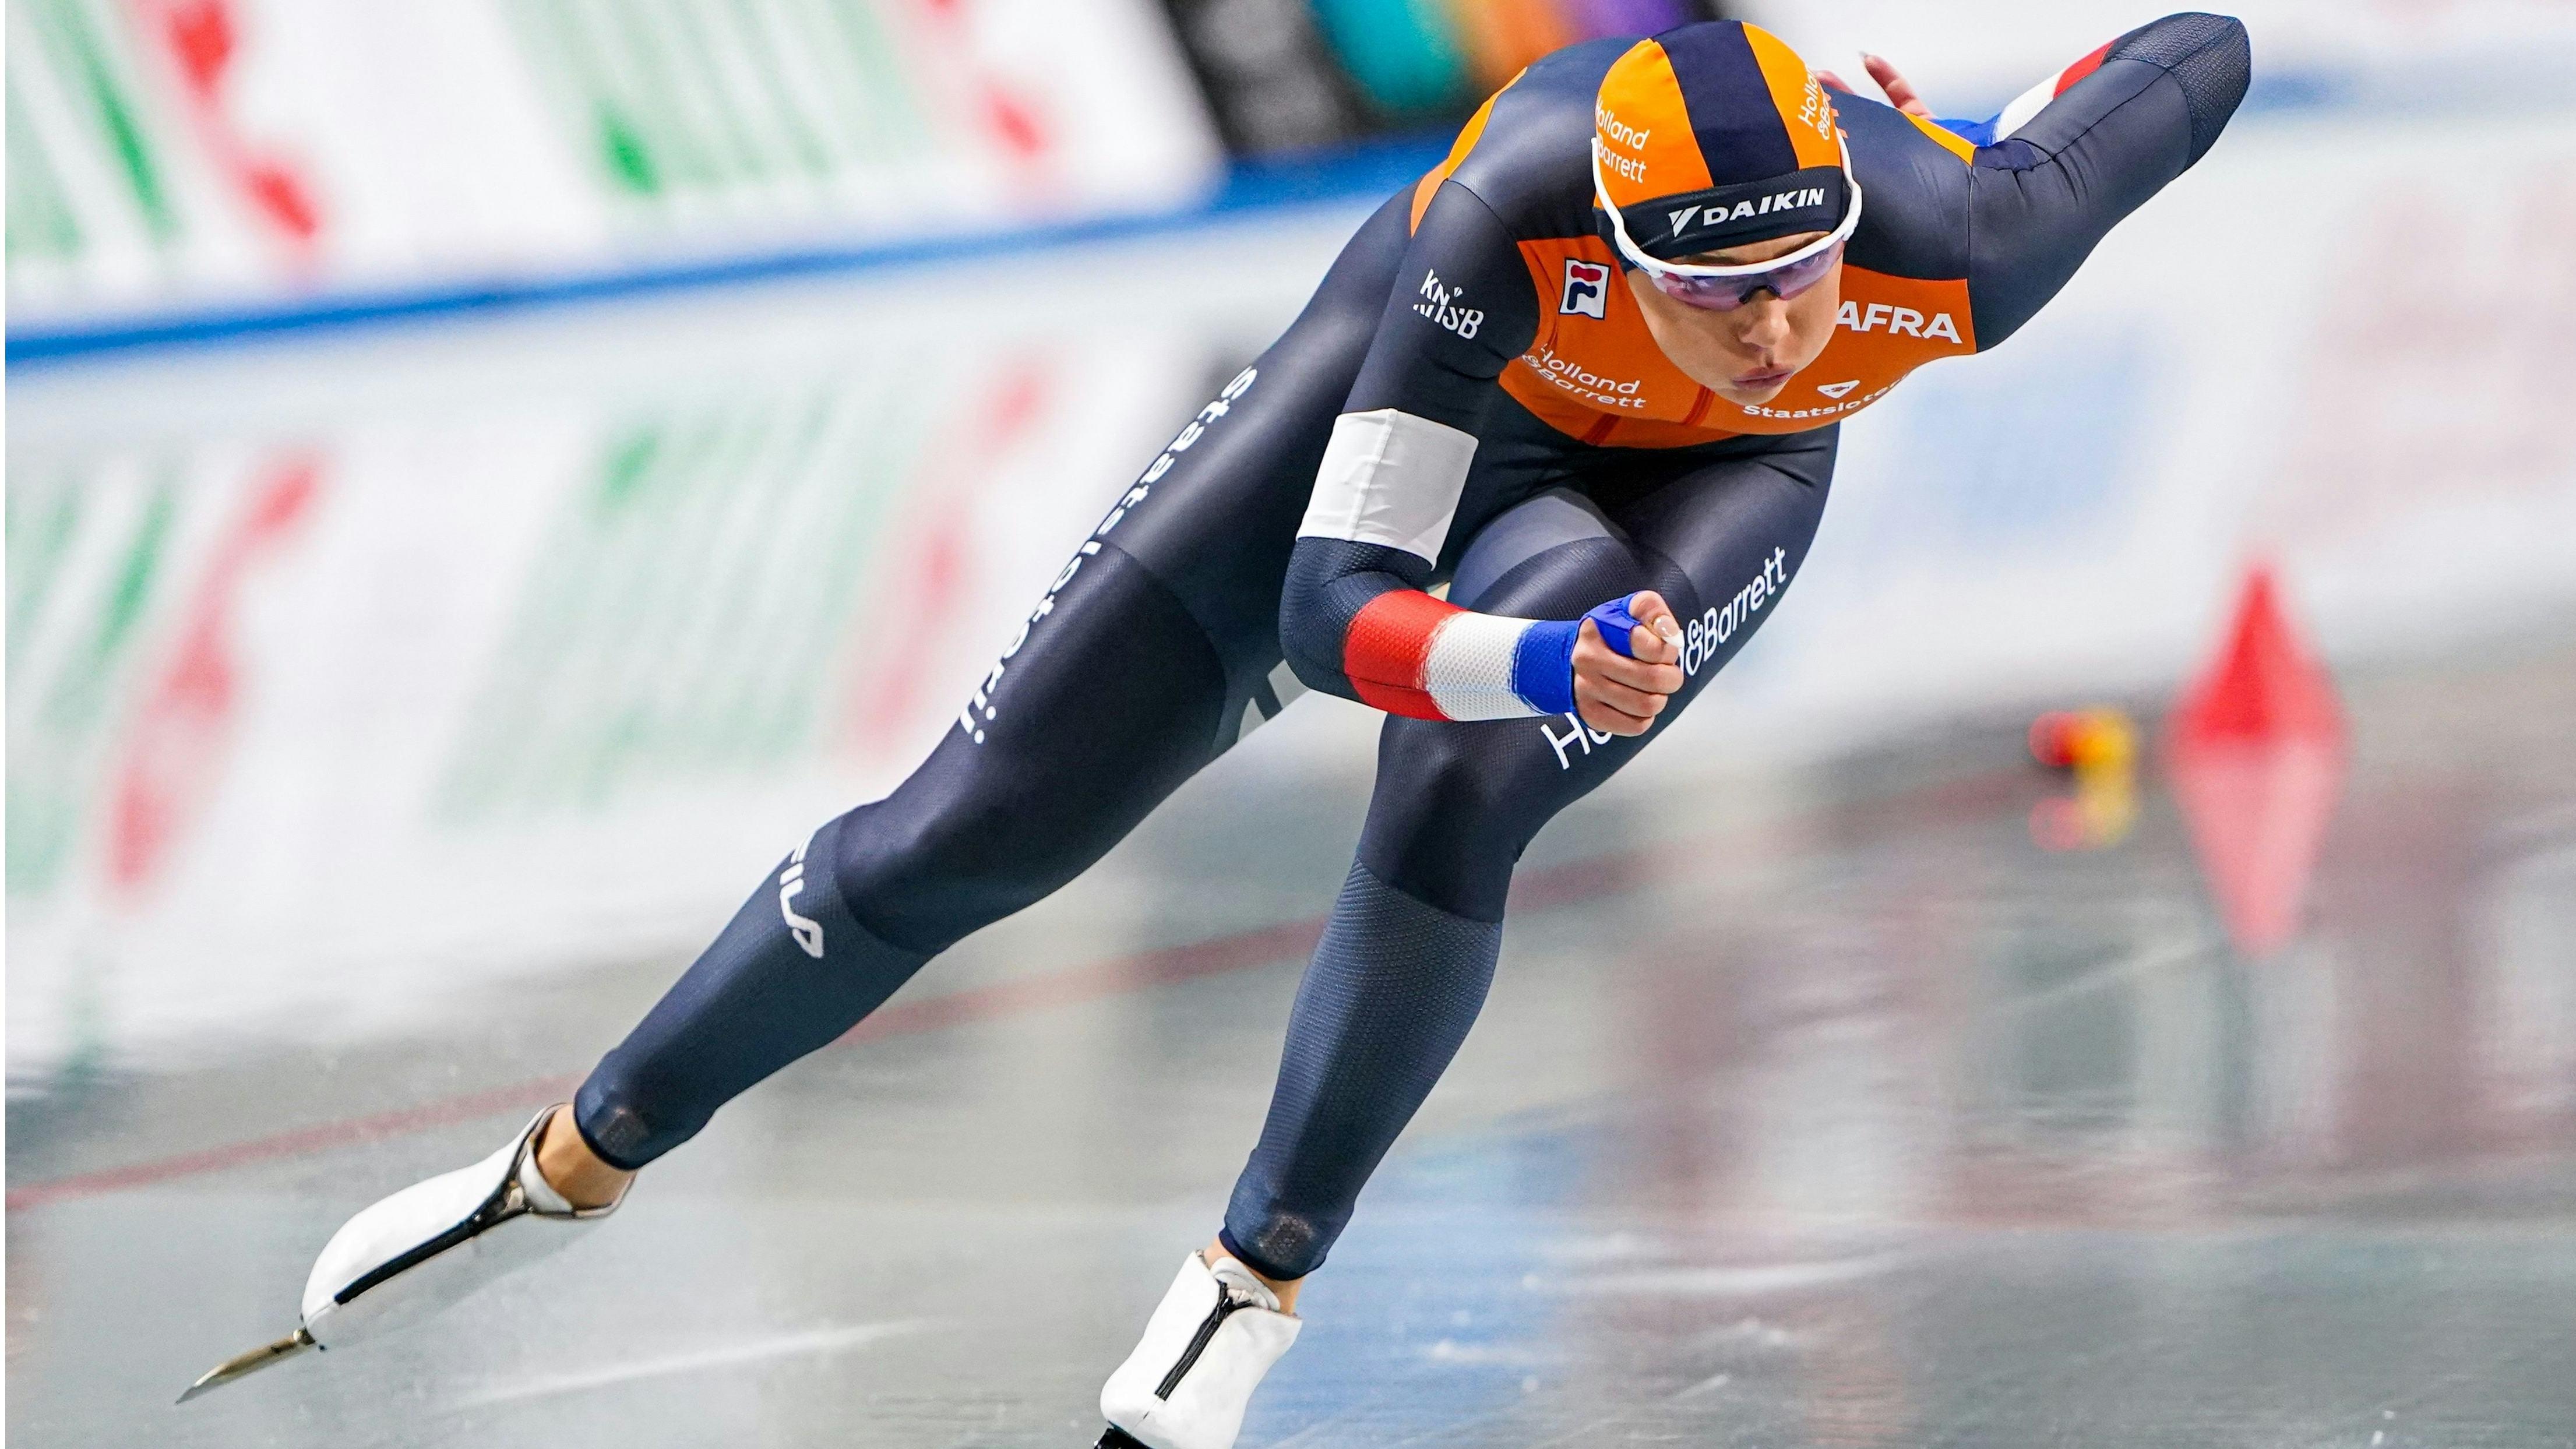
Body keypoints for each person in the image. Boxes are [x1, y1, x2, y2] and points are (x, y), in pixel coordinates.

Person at [196, 16, 2251, 1447]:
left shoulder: (1959, 247)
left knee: (1462, 796)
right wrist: (1530, 664)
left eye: (1800, 275)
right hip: (1417, 420)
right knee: (961, 839)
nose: (1773, 325)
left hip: (1696, 505)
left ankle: (1252, 1277)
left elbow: (2201, 55)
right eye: (1714, 297)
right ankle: (568, 1162)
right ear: (1616, 247)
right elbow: (1328, 612)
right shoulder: (1498, 222)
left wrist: (1987, 124)